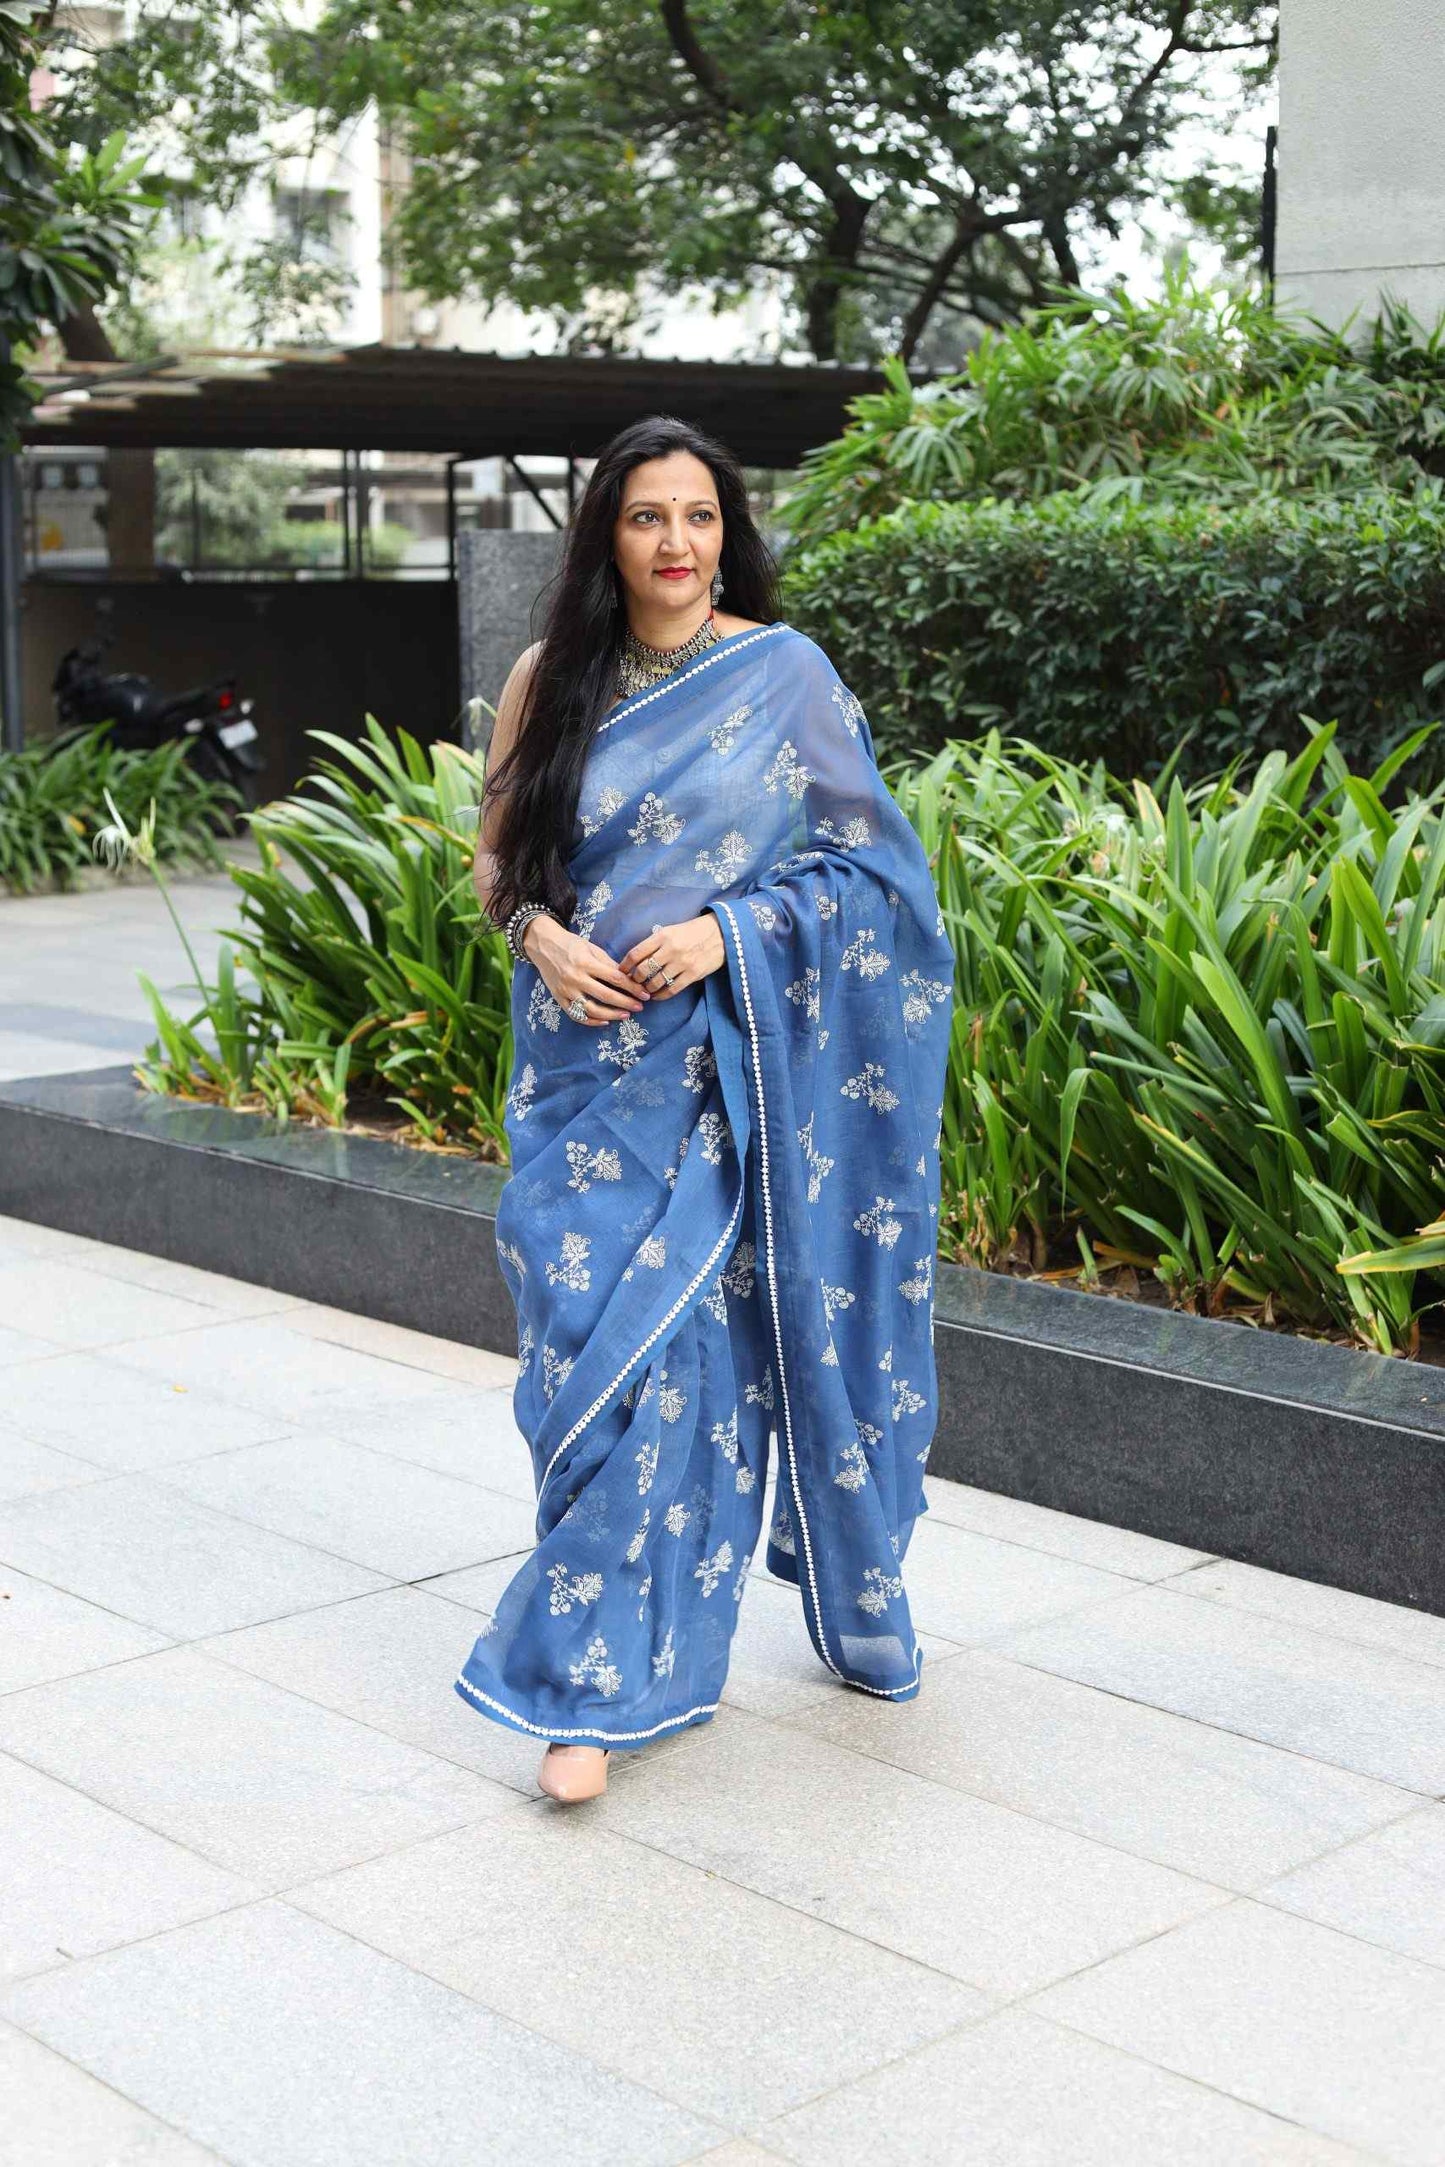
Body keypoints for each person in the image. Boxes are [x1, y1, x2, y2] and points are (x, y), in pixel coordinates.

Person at [456, 413, 954, 1802]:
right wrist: (540, 939)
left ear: (726, 533)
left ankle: (588, 1690)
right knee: (579, 1363)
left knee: (676, 1374)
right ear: (603, 537)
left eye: (698, 518)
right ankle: (611, 1644)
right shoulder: (546, 680)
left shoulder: (782, 674)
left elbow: (881, 884)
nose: (675, 544)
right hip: (574, 1072)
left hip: (724, 1083)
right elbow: (499, 864)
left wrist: (731, 938)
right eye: (645, 518)